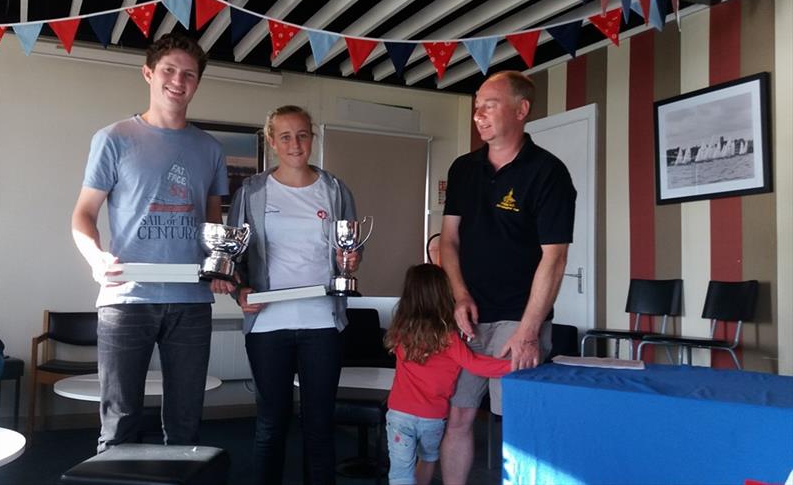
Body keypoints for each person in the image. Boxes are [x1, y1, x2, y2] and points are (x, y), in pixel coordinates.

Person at [71, 33, 229, 452]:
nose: (179, 81)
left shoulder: (210, 149)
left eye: (189, 74)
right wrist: (95, 256)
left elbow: (213, 225)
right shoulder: (114, 138)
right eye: (169, 71)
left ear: (197, 82)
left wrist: (220, 267)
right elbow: (83, 215)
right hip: (126, 297)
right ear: (148, 73)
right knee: (119, 424)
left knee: (185, 423)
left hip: (192, 300)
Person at [438, 70, 576, 483]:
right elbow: (448, 241)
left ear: (521, 110)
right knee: (457, 416)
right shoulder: (463, 169)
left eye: (489, 105)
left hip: (520, 320)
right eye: (476, 106)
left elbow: (554, 258)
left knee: (516, 423)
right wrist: (459, 296)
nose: (478, 114)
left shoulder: (548, 173)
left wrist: (530, 330)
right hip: (469, 318)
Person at [210, 105, 360, 485]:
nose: (296, 143)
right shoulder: (253, 191)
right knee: (270, 425)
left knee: (319, 425)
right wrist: (240, 292)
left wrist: (351, 260)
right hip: (267, 325)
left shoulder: (335, 189)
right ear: (272, 142)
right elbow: (233, 257)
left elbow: (351, 249)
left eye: (303, 134)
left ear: (313, 138)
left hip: (322, 322)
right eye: (286, 136)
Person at [384, 263, 510, 485]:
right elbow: (476, 365)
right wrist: (512, 366)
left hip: (399, 415)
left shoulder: (400, 331)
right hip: (432, 418)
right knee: (429, 458)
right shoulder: (449, 338)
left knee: (400, 473)